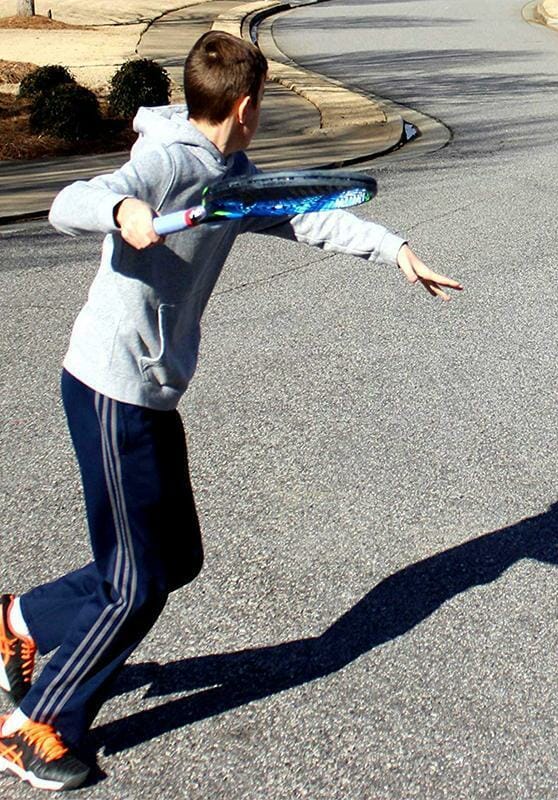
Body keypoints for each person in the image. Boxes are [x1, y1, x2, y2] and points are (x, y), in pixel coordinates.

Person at [0, 30, 461, 792]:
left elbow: (304, 214)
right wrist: (121, 208)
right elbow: (65, 203)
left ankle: (17, 623)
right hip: (112, 386)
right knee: (136, 583)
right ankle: (37, 726)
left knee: (172, 561)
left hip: (145, 390)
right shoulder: (171, 162)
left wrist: (394, 250)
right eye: (264, 104)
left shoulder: (229, 172)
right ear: (244, 107)